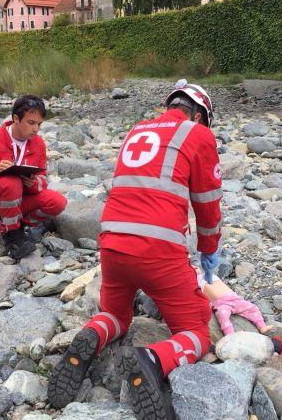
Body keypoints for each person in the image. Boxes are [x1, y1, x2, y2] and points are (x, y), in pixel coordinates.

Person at [48, 80, 222, 419]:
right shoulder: (197, 134)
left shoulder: (137, 131)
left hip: (112, 244)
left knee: (115, 314)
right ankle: (152, 360)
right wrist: (209, 250)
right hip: (158, 251)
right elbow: (207, 203)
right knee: (196, 332)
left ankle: (92, 335)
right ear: (199, 115)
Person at [0, 95, 67, 259]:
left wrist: (32, 183)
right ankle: (12, 237)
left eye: (39, 124)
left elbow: (43, 179)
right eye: (31, 123)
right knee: (10, 182)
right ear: (16, 119)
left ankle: (19, 225)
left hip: (16, 201)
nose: (36, 129)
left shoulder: (38, 143)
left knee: (58, 202)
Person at [195, 269, 273, 336]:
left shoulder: (208, 273)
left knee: (253, 308)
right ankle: (230, 334)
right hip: (222, 304)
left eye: (194, 265)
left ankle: (262, 326)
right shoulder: (195, 283)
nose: (194, 266)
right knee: (222, 316)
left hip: (235, 299)